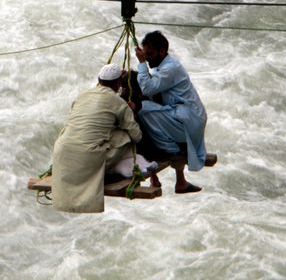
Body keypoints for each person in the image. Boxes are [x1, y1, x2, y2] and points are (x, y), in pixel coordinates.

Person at [51, 63, 142, 213]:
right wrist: (132, 112)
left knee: (85, 131)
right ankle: (108, 169)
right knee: (126, 135)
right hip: (87, 158)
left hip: (61, 153)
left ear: (99, 80)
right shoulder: (119, 103)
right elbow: (136, 136)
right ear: (119, 83)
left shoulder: (82, 97)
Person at [135, 31, 207, 194]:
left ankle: (170, 150)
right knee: (151, 107)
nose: (147, 58)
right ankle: (180, 181)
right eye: (145, 55)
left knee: (143, 110)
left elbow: (148, 88)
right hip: (188, 118)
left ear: (162, 51)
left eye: (150, 54)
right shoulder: (166, 67)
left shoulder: (170, 68)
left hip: (188, 121)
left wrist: (141, 63)